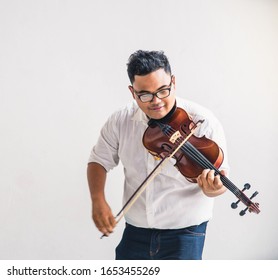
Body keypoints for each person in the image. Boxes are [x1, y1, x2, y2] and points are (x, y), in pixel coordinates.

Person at [87, 50, 229, 260]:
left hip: (186, 233)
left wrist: (213, 189)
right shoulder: (120, 120)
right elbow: (99, 161)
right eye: (145, 95)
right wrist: (98, 200)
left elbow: (221, 184)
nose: (156, 101)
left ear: (173, 82)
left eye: (163, 90)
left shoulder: (203, 122)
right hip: (135, 230)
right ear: (132, 91)